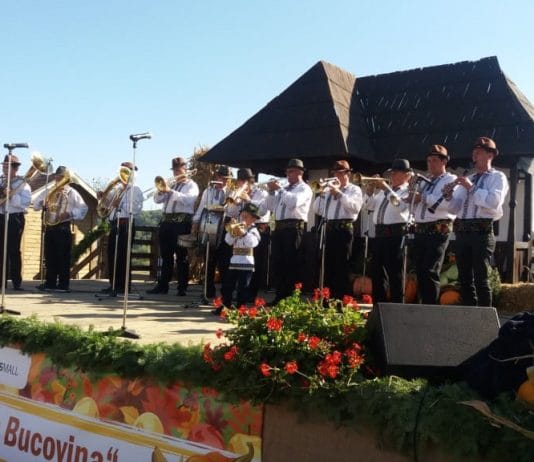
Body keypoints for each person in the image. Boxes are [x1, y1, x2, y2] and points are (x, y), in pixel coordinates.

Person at [445, 137, 509, 307]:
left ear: (490, 155)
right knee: (464, 278)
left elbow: (493, 202)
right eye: (473, 153)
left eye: (478, 153)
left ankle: (484, 317)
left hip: (481, 232)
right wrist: (449, 196)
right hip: (462, 232)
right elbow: (454, 209)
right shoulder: (469, 178)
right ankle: (469, 314)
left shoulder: (498, 177)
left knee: (481, 278)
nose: (474, 156)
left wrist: (471, 188)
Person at [411, 145, 457, 304]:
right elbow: (416, 206)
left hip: (439, 228)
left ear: (444, 161)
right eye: (429, 161)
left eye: (435, 160)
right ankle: (422, 304)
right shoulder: (425, 181)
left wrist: (422, 198)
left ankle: (431, 308)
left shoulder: (450, 180)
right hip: (421, 228)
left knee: (430, 269)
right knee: (420, 269)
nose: (430, 164)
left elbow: (446, 204)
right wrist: (411, 196)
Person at [263, 158, 313, 304]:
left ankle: (290, 298)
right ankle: (279, 297)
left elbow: (293, 203)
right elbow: (270, 207)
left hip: (293, 228)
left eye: (291, 171)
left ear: (299, 173)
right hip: (279, 228)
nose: (287, 175)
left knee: (291, 264)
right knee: (278, 263)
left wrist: (279, 189)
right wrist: (271, 192)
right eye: (287, 172)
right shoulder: (284, 189)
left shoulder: (304, 188)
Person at [147, 157, 199, 295]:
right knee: (166, 256)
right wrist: (161, 191)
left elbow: (188, 200)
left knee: (181, 256)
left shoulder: (191, 185)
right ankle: (163, 286)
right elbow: (157, 200)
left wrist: (170, 191)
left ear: (185, 170)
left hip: (182, 223)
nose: (176, 173)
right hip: (166, 222)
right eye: (174, 170)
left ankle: (182, 288)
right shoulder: (172, 185)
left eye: (178, 170)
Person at [312, 160, 362, 299]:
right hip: (329, 229)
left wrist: (339, 193)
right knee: (327, 266)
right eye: (334, 173)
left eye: (339, 173)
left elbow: (355, 208)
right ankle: (326, 299)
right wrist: (322, 193)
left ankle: (340, 300)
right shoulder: (328, 191)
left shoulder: (354, 189)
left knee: (341, 266)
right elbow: (316, 209)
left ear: (347, 174)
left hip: (344, 230)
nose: (336, 176)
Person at [365, 159, 412, 304]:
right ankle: (379, 305)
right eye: (392, 172)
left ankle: (396, 306)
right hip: (379, 234)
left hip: (396, 234)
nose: (392, 175)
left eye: (396, 172)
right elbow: (369, 207)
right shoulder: (383, 192)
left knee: (394, 272)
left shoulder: (408, 191)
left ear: (407, 175)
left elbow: (400, 205)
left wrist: (385, 188)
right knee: (377, 272)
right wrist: (369, 192)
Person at [34, 166, 88, 292]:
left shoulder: (72, 192)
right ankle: (50, 283)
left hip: (63, 226)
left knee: (63, 256)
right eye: (57, 176)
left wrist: (70, 213)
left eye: (61, 177)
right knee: (50, 255)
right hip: (50, 226)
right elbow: (35, 204)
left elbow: (83, 208)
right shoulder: (49, 190)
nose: (58, 179)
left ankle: (63, 285)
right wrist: (42, 203)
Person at [225, 168, 270, 301]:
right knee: (236, 263)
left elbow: (262, 211)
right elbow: (230, 213)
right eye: (239, 181)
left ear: (250, 181)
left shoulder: (261, 192)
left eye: (244, 181)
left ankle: (250, 294)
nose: (241, 184)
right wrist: (235, 203)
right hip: (240, 228)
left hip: (257, 227)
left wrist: (249, 200)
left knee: (256, 263)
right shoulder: (237, 193)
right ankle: (235, 295)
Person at [101, 161, 144, 294]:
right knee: (112, 255)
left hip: (126, 225)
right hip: (115, 224)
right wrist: (102, 198)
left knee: (123, 257)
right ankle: (113, 285)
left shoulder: (135, 190)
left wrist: (120, 204)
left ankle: (123, 286)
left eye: (126, 171)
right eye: (122, 171)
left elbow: (136, 209)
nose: (122, 174)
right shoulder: (118, 189)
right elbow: (108, 205)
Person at [192, 165, 233, 300]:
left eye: (226, 179)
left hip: (225, 229)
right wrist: (195, 223)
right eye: (222, 177)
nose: (224, 181)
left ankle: (225, 294)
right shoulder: (208, 191)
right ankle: (208, 291)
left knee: (224, 262)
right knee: (209, 261)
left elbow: (233, 212)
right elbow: (201, 208)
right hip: (210, 227)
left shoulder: (231, 192)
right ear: (217, 176)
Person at [216, 202, 261, 315]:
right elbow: (228, 241)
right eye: (242, 216)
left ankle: (241, 308)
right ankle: (225, 306)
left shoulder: (253, 230)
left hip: (246, 263)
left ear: (253, 219)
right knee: (228, 285)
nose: (243, 219)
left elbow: (253, 243)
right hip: (234, 261)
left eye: (246, 217)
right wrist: (232, 231)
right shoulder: (238, 227)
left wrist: (243, 233)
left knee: (243, 287)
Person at [0, 155, 31, 290]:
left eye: (7, 166)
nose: (4, 168)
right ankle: (1, 282)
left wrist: (11, 195)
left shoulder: (22, 184)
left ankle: (16, 282)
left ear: (15, 169)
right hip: (1, 216)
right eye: (3, 166)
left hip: (14, 218)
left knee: (13, 250)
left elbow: (25, 203)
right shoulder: (0, 181)